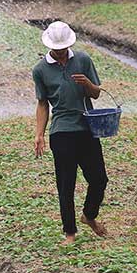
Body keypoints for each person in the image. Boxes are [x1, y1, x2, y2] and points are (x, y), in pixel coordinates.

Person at [31, 21, 109, 245]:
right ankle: (70, 233)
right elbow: (43, 104)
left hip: (87, 128)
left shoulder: (83, 60)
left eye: (63, 48)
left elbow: (95, 94)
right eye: (56, 48)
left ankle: (89, 215)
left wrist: (87, 83)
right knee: (66, 184)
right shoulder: (40, 70)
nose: (60, 52)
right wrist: (39, 134)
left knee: (99, 179)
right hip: (62, 132)